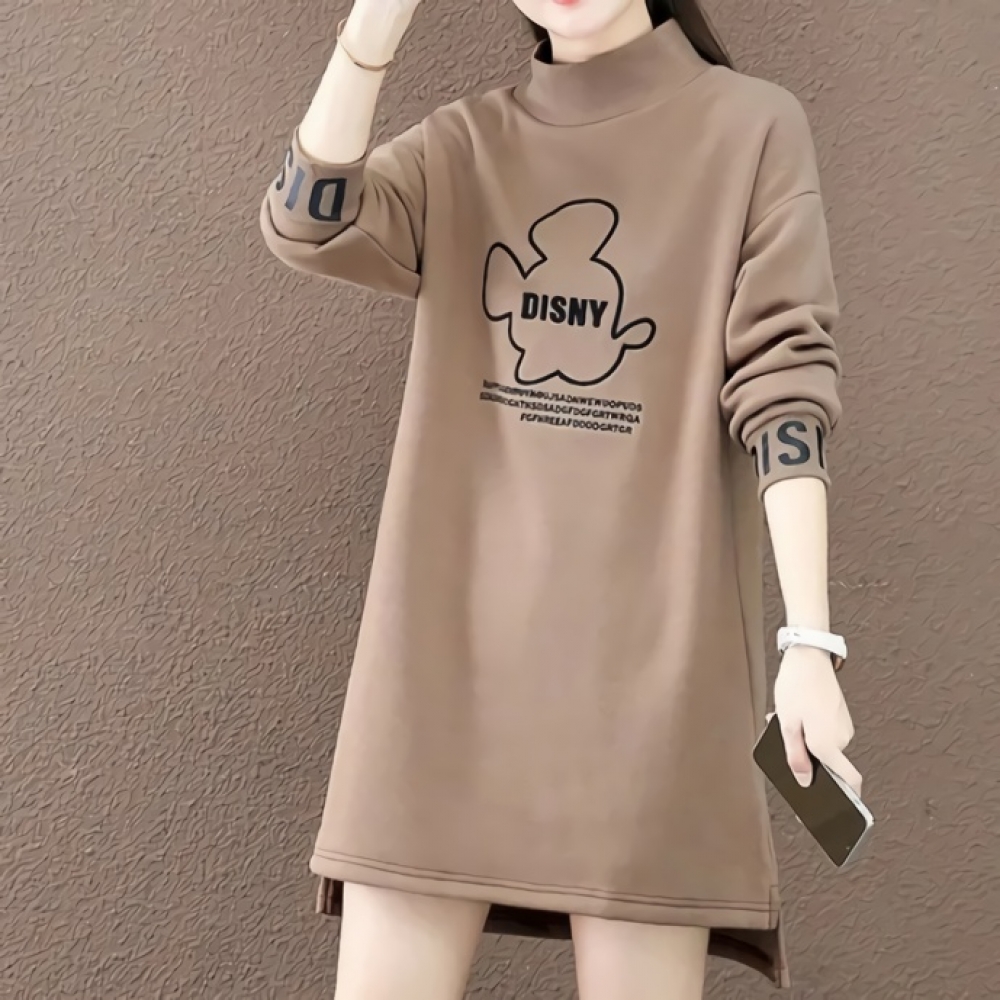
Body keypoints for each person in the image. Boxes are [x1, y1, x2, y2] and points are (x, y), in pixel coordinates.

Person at [259, 1, 863, 997]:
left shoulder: (750, 129)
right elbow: (305, 222)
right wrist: (373, 27)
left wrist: (809, 643)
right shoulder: (466, 145)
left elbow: (784, 382)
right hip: (436, 676)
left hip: (651, 684)